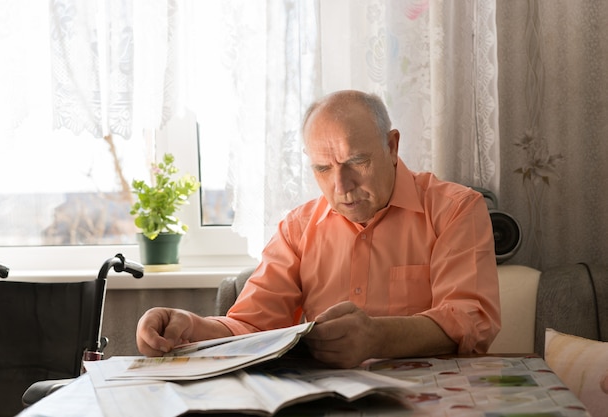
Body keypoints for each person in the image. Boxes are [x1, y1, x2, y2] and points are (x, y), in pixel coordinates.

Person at [136, 90, 501, 368]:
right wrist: (189, 327)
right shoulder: (297, 229)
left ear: (392, 146)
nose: (341, 186)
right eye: (323, 169)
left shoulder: (455, 209)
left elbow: (472, 321)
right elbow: (250, 327)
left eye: (356, 161)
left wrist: (378, 337)